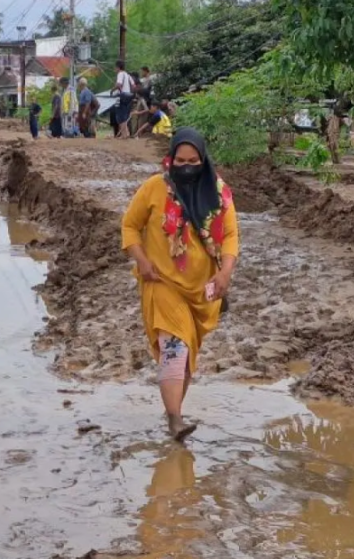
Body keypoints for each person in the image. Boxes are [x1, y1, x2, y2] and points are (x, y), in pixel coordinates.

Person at [120, 128, 239, 441]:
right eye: (180, 161)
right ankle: (175, 419)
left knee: (185, 355)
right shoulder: (154, 188)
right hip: (162, 283)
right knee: (175, 346)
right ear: (170, 159)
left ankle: (173, 411)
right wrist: (142, 261)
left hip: (200, 291)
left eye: (193, 161)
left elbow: (229, 235)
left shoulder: (219, 192)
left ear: (203, 160)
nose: (186, 167)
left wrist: (225, 272)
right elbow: (130, 226)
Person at [111, 60, 135, 138]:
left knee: (119, 115)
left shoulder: (120, 74)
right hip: (128, 96)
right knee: (125, 115)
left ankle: (124, 134)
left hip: (121, 96)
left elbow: (119, 84)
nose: (115, 69)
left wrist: (112, 90)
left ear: (118, 67)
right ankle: (126, 133)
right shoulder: (128, 75)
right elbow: (133, 86)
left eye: (115, 67)